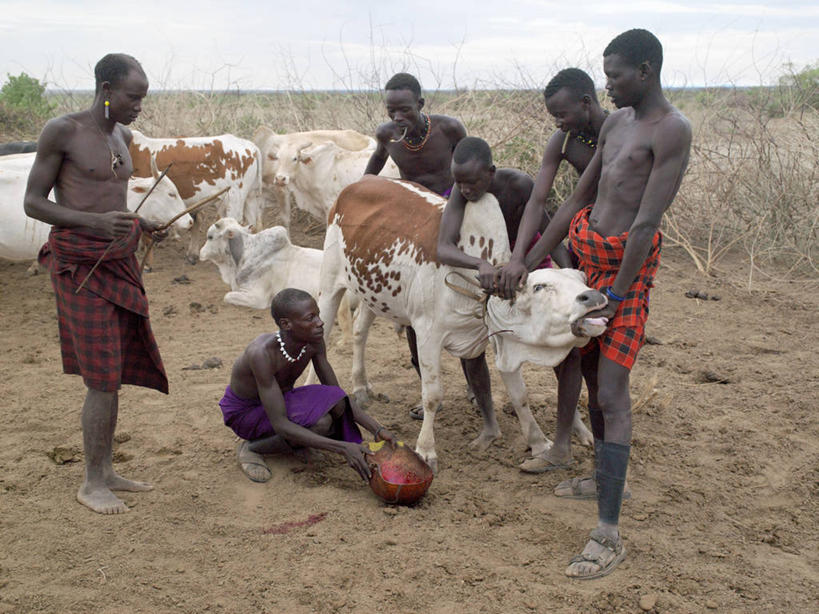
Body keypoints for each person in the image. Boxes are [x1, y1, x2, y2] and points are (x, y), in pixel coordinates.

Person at [498, 29, 692, 579]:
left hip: (623, 273)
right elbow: (577, 200)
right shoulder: (615, 123)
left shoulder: (672, 130)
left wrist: (618, 294)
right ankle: (608, 478)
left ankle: (608, 532)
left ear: (647, 70)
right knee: (584, 367)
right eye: (604, 77)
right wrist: (531, 262)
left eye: (616, 76)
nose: (608, 87)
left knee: (611, 390)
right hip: (585, 260)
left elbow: (647, 222)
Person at [24, 53, 169, 515]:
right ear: (106, 89)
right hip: (78, 265)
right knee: (102, 377)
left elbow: (113, 200)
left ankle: (106, 471)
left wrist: (140, 222)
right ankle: (91, 482)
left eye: (143, 97)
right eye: (133, 96)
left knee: (114, 371)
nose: (139, 107)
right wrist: (91, 221)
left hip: (119, 259)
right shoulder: (62, 131)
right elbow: (32, 202)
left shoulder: (122, 136)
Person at [436, 136, 585, 469]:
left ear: (490, 172)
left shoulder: (519, 185)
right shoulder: (460, 194)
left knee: (561, 343)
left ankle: (571, 417)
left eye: (472, 182)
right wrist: (481, 266)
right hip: (484, 278)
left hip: (528, 265)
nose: (465, 189)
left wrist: (567, 272)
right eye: (458, 182)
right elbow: (443, 248)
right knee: (471, 345)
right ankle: (490, 422)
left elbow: (549, 232)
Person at [510, 68, 611, 473]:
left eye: (562, 114)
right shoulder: (565, 141)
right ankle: (562, 448)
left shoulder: (622, 133)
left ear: (587, 102)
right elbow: (540, 200)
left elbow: (572, 204)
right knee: (571, 349)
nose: (557, 122)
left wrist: (531, 261)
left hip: (618, 255)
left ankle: (606, 465)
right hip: (582, 249)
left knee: (603, 366)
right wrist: (521, 258)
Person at [364, 73, 469, 419]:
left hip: (453, 212)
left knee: (465, 296)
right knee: (413, 305)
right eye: (392, 110)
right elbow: (377, 162)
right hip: (412, 218)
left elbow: (472, 166)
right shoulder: (386, 134)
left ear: (421, 106)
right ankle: (427, 387)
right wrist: (362, 191)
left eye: (405, 110)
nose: (397, 118)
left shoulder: (449, 129)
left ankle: (472, 383)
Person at [219, 288, 396, 483]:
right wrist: (342, 448)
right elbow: (280, 423)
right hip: (246, 414)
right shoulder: (261, 354)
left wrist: (378, 430)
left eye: (318, 315)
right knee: (321, 425)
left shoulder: (313, 340)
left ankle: (296, 443)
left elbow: (338, 396)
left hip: (281, 400)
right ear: (286, 324)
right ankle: (252, 447)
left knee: (335, 405)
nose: (320, 322)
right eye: (310, 318)